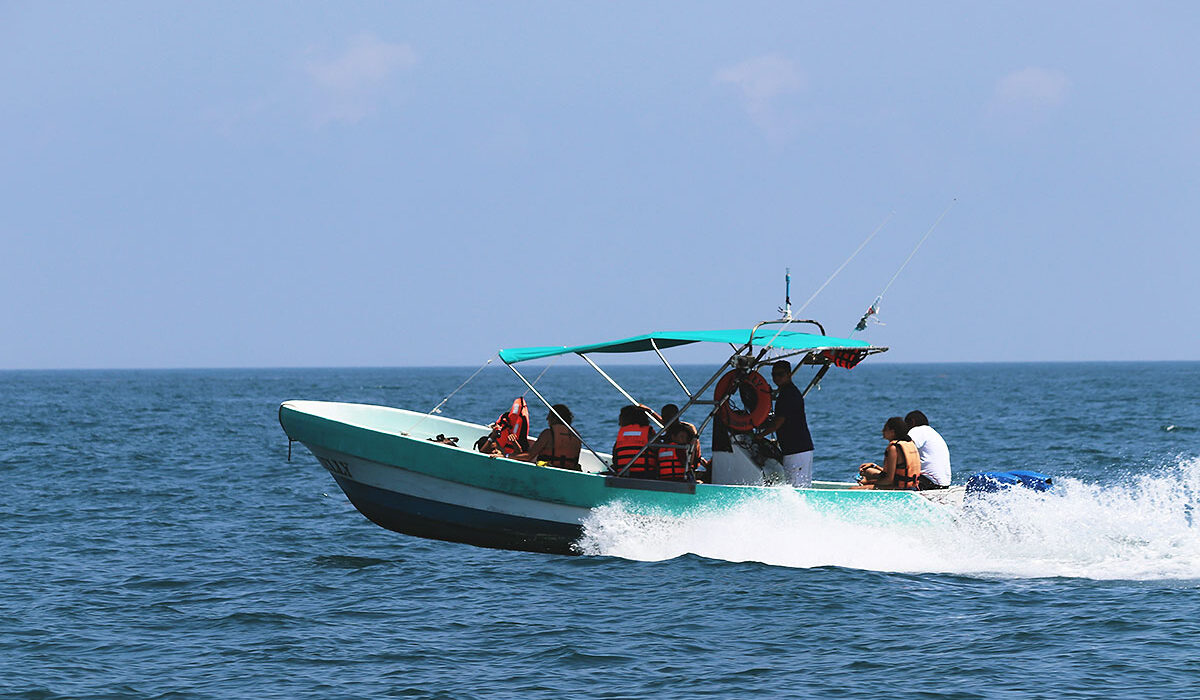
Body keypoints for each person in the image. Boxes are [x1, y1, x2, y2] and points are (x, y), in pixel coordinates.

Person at [755, 360, 814, 487]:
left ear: (789, 374)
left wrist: (760, 435)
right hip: (795, 448)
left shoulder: (787, 395)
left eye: (780, 374)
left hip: (797, 449)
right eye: (774, 375)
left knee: (797, 487)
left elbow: (778, 422)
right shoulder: (787, 392)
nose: (776, 378)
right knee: (797, 485)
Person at [856, 416, 921, 490]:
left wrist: (868, 483)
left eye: (885, 429)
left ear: (892, 432)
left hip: (900, 488)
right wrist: (875, 466)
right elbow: (894, 473)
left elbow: (889, 480)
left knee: (853, 490)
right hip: (911, 486)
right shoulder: (909, 443)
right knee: (867, 471)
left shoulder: (893, 448)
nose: (882, 431)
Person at [520, 404, 582, 471]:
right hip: (570, 473)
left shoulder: (547, 434)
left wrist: (509, 456)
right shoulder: (577, 436)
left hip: (549, 471)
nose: (547, 418)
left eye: (549, 415)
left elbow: (529, 456)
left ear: (555, 418)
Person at [905, 410, 951, 490]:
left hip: (929, 483)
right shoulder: (932, 433)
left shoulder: (917, 430)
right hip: (943, 484)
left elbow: (904, 447)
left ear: (912, 422)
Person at [611, 404, 655, 478]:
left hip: (623, 473)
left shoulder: (622, 434)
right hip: (646, 474)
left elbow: (615, 455)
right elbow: (658, 450)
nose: (619, 423)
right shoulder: (648, 432)